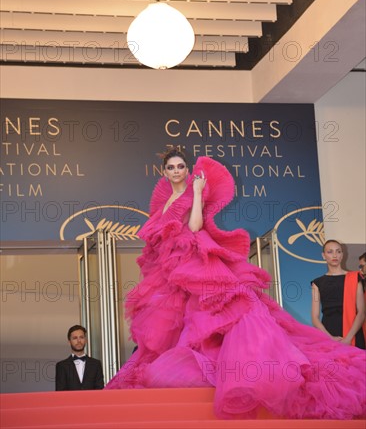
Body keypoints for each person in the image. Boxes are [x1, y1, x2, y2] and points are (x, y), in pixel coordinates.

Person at [106, 149, 366, 420]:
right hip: (172, 267)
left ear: (188, 169)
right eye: (171, 167)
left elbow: (195, 227)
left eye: (181, 166)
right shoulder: (164, 200)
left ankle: (243, 372)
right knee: (179, 320)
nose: (176, 171)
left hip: (196, 261)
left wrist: (197, 193)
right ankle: (194, 369)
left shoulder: (191, 192)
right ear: (164, 172)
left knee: (219, 313)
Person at [311, 240, 365, 349]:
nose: (335, 255)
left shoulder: (355, 278)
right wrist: (330, 337)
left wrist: (348, 338)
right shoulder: (317, 283)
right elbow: (315, 317)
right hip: (328, 333)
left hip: (353, 334)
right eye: (330, 252)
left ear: (342, 255)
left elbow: (361, 312)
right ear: (323, 255)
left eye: (338, 251)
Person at [55, 325, 104, 391]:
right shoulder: (61, 366)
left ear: (85, 340)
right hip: (70, 401)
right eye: (75, 338)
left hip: (91, 401)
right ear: (69, 342)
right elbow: (60, 392)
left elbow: (100, 390)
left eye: (81, 337)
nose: (79, 341)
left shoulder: (96, 364)